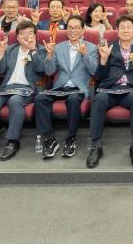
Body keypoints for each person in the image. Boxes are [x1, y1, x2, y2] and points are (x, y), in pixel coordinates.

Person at [87, 16, 133, 169]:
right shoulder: (108, 47)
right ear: (117, 30)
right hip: (109, 89)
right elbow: (99, 76)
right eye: (122, 27)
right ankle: (96, 146)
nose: (125, 30)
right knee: (98, 99)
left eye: (129, 27)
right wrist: (103, 61)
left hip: (131, 90)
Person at [36, 16, 99, 159]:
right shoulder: (58, 47)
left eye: (77, 27)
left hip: (79, 88)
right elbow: (50, 72)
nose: (73, 30)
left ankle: (71, 138)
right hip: (60, 87)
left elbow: (95, 71)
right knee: (40, 98)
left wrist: (85, 55)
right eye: (70, 27)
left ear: (83, 30)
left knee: (73, 98)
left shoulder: (92, 48)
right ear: (66, 29)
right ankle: (50, 139)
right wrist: (50, 55)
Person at [0, 20, 47, 161]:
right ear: (17, 37)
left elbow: (41, 69)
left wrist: (33, 51)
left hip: (26, 89)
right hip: (7, 88)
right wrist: (0, 53)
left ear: (35, 36)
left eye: (30, 33)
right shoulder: (10, 49)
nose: (26, 37)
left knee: (15, 100)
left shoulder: (41, 49)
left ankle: (13, 141)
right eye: (22, 34)